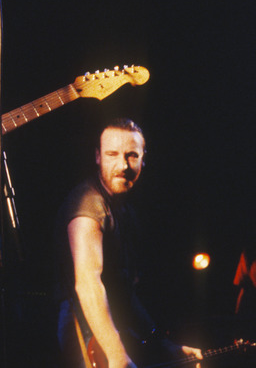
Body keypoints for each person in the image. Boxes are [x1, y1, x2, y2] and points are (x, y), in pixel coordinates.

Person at [55, 119, 202, 368]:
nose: (123, 165)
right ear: (98, 157)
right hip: (79, 330)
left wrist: (165, 346)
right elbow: (88, 284)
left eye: (132, 155)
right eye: (112, 154)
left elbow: (125, 293)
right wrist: (116, 354)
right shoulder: (88, 204)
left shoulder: (126, 213)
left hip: (109, 327)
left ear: (144, 159)